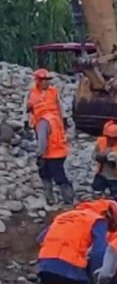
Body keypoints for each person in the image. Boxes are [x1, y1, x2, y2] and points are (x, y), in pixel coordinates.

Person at [37, 200, 117, 284]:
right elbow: (99, 252)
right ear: (107, 215)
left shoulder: (63, 216)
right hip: (70, 269)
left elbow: (40, 239)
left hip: (45, 266)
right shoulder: (98, 220)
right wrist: (95, 278)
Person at [28, 69, 73, 205]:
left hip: (52, 152)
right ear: (39, 81)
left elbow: (42, 142)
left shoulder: (43, 121)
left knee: (53, 175)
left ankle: (65, 200)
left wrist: (39, 155)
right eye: (45, 80)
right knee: (52, 174)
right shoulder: (51, 116)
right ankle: (57, 199)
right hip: (59, 148)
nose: (47, 82)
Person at [91, 120, 117, 202]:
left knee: (116, 196)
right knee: (96, 191)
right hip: (102, 174)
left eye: (114, 139)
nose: (111, 141)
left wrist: (115, 163)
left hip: (116, 177)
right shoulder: (101, 142)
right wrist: (99, 157)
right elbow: (94, 154)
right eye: (109, 138)